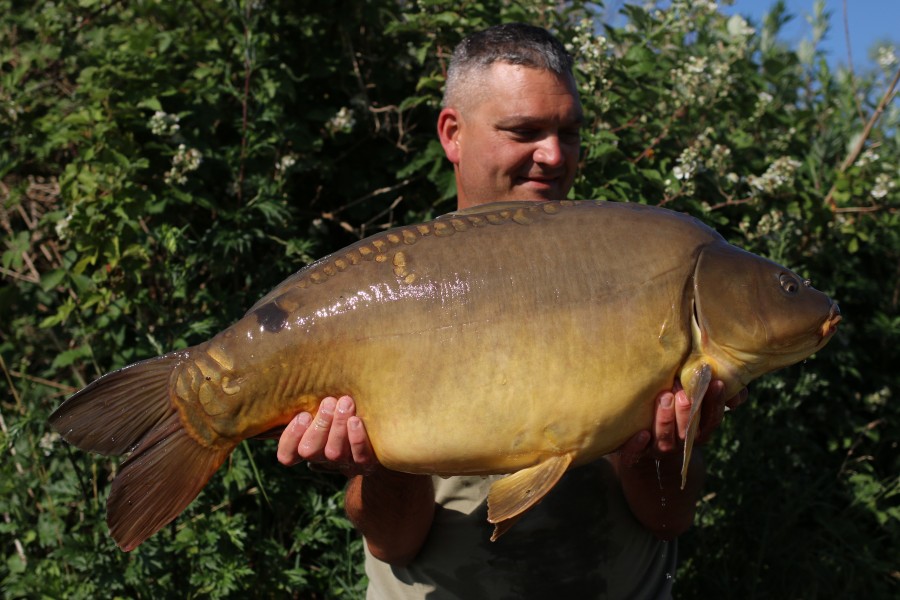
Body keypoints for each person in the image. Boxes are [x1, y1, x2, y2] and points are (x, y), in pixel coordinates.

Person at [277, 24, 746, 599]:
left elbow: (667, 518)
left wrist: (674, 445)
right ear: (452, 134)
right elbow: (396, 543)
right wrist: (372, 467)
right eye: (524, 131)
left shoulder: (635, 267)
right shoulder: (387, 288)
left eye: (568, 133)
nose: (553, 156)